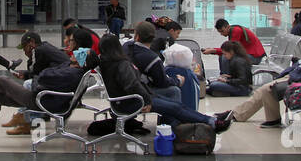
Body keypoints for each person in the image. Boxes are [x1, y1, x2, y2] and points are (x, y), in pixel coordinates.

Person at [95, 34, 232, 137]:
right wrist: (147, 100)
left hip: (128, 100)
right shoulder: (121, 64)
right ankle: (212, 123)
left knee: (177, 105)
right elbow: (132, 85)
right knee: (175, 107)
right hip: (134, 101)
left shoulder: (106, 62)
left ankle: (212, 120)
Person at [0, 32, 86, 147]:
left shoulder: (70, 71)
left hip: (43, 99)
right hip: (48, 96)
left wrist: (36, 78)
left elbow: (43, 75)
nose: (74, 52)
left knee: (2, 80)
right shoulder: (70, 67)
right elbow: (43, 74)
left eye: (80, 53)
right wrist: (36, 76)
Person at [230, 25, 301, 128]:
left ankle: (261, 118)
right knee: (263, 90)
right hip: (298, 77)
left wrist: (298, 76)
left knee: (267, 89)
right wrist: (290, 72)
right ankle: (238, 114)